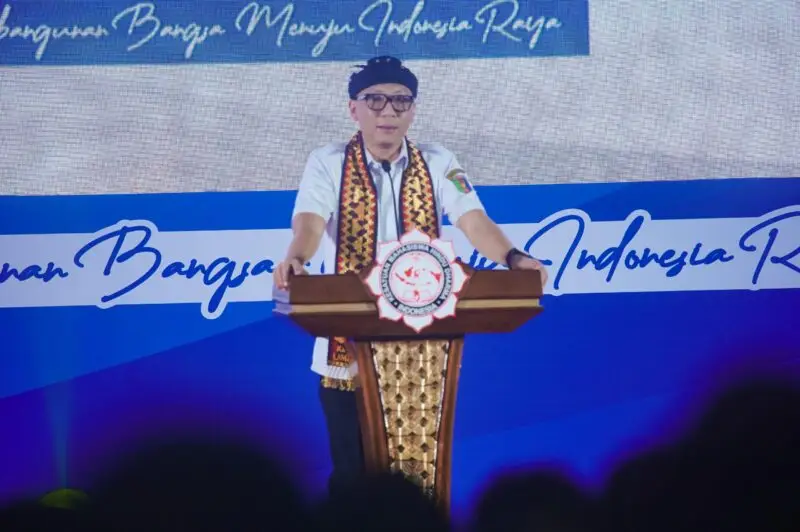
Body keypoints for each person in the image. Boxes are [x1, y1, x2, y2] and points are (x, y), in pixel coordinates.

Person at [273, 56, 547, 495]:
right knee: (353, 477)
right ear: (353, 109)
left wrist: (514, 258)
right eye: (375, 100)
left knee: (417, 478)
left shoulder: (438, 162)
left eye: (401, 101)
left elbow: (473, 220)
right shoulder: (327, 162)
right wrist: (296, 258)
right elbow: (309, 221)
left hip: (425, 345)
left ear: (413, 109)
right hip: (349, 348)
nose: (388, 111)